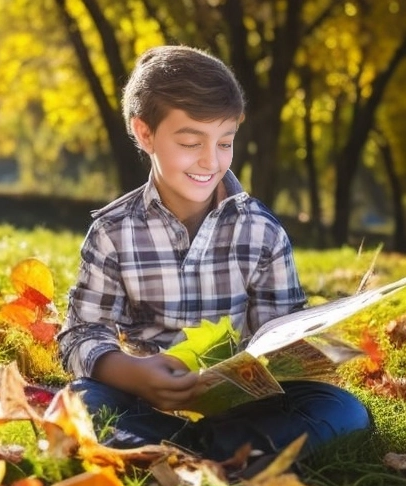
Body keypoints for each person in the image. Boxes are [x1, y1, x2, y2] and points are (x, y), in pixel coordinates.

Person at [57, 45, 370, 471]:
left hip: (241, 404)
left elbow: (280, 337)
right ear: (145, 133)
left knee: (344, 410)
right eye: (190, 141)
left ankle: (174, 455)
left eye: (225, 142)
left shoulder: (260, 230)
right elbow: (80, 335)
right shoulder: (113, 232)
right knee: (81, 400)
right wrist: (135, 374)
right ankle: (223, 457)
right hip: (144, 395)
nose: (210, 160)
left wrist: (316, 339)